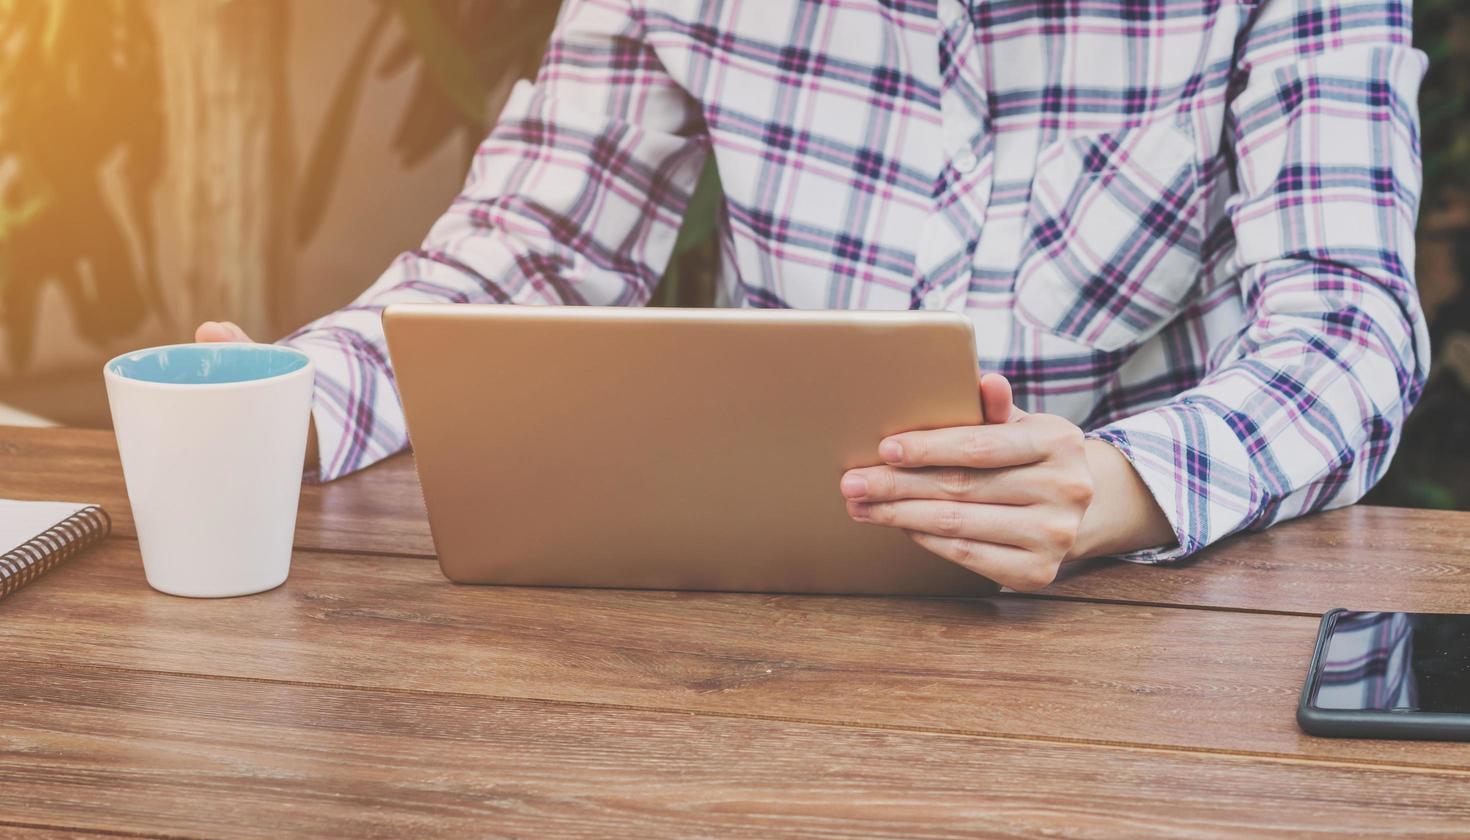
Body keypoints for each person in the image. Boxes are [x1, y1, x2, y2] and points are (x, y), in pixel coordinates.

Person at [197, 0, 1427, 592]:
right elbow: (533, 245)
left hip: (1152, 627)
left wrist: (1115, 486)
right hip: (768, 623)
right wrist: (291, 400)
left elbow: (1346, 332)